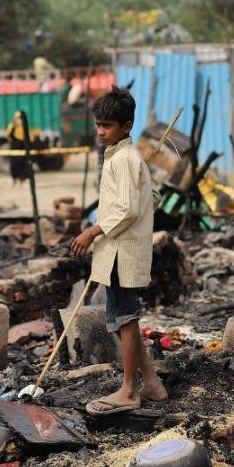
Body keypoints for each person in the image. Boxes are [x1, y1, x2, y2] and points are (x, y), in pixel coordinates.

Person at [71, 86, 167, 414]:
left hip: (120, 253)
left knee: (125, 319)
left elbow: (126, 209)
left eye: (107, 126)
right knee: (125, 318)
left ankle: (129, 390)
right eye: (98, 124)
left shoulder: (124, 159)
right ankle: (151, 383)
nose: (100, 131)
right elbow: (145, 199)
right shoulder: (122, 156)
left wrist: (91, 230)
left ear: (126, 126)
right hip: (117, 251)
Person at [5, 111, 29, 184]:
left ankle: (22, 178)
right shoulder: (12, 124)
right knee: (15, 164)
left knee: (24, 163)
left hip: (23, 146)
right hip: (15, 145)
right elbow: (8, 134)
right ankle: (14, 178)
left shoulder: (25, 125)